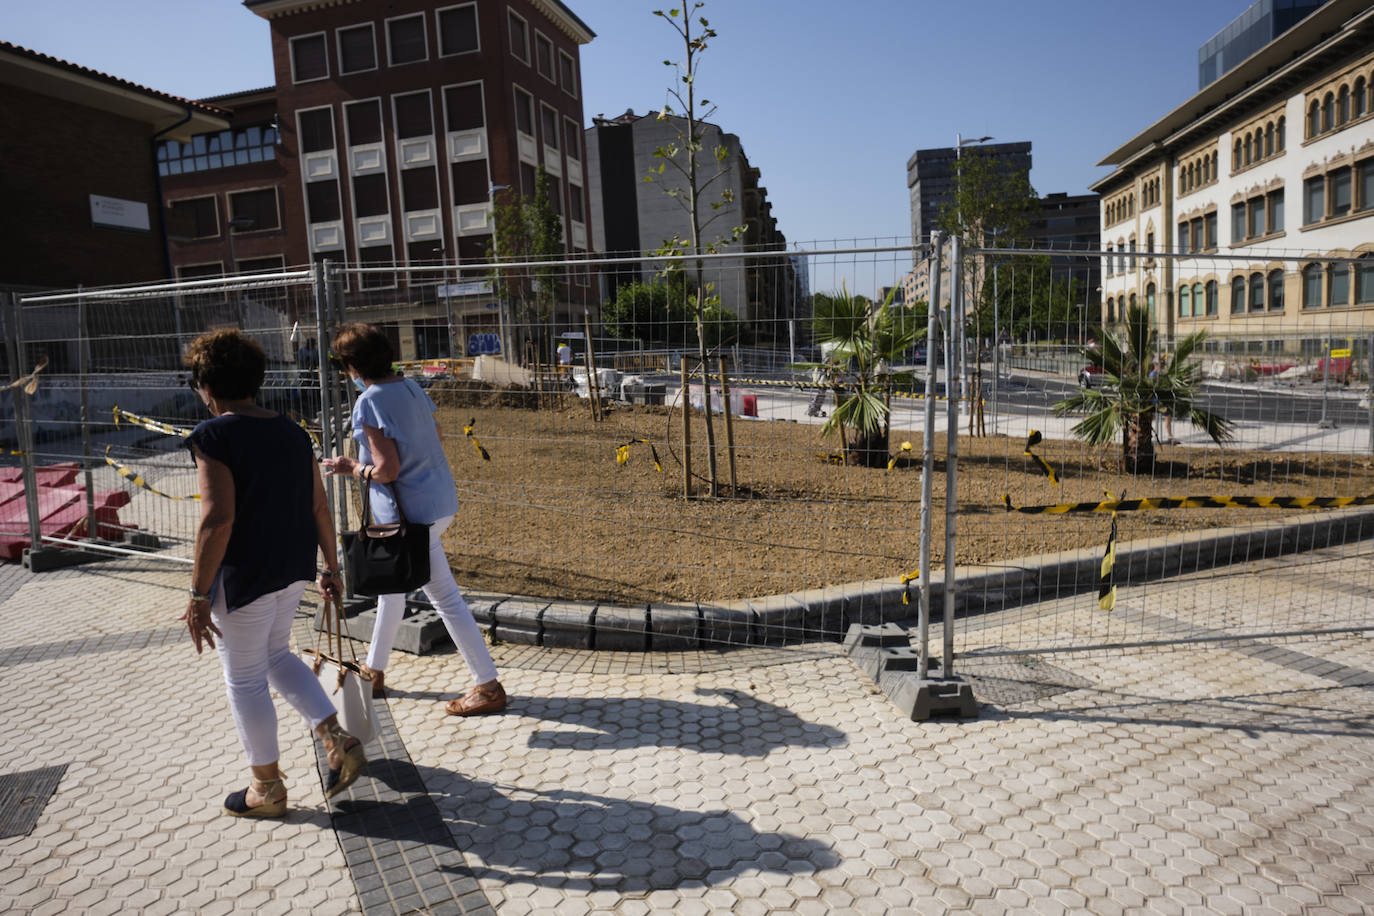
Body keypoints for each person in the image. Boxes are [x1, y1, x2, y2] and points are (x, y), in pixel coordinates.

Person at [181, 329, 366, 819]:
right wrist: (330, 566)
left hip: (245, 576)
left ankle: (266, 788)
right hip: (291, 568)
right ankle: (336, 738)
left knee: (243, 679)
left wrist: (198, 594)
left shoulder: (213, 435)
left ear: (206, 385)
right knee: (276, 656)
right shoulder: (290, 430)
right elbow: (319, 505)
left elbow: (217, 520)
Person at [322, 323, 507, 717]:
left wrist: (351, 466)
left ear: (354, 365)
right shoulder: (410, 388)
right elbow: (436, 433)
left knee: (446, 599)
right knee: (392, 591)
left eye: (343, 364)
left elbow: (386, 469)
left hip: (410, 519)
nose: (344, 371)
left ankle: (488, 686)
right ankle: (374, 669)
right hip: (438, 503)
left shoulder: (368, 402)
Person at [1149, 357, 1178, 444]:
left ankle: (1169, 436)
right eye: (1160, 365)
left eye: (1162, 365)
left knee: (1168, 415)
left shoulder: (1160, 375)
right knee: (1157, 416)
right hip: (1155, 401)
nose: (1162, 367)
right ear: (1155, 365)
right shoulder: (1153, 375)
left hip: (1161, 401)